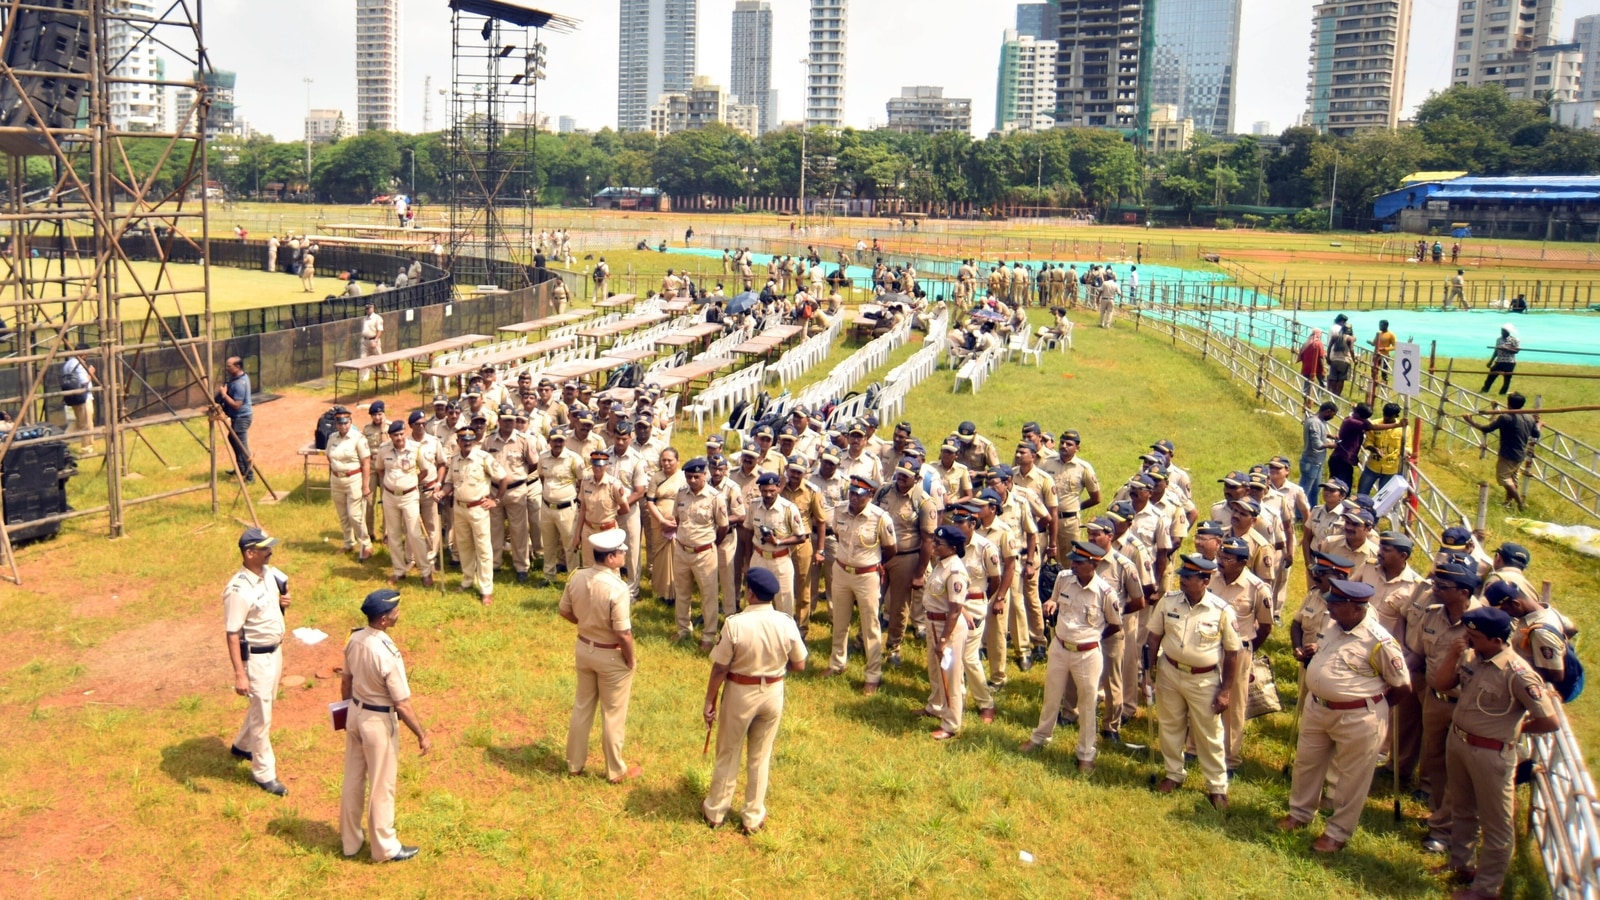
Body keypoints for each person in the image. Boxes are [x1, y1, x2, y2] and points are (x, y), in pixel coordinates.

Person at [1430, 607, 1559, 899]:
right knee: (1462, 808)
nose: (1467, 639)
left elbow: (1550, 720)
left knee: (1496, 823)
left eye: (1474, 636)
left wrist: (1514, 730)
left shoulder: (1518, 674)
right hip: (1460, 743)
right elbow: (1439, 684)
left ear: (1496, 640)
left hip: (1491, 754)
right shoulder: (1472, 657)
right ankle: (1460, 863)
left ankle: (1486, 889)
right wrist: (1453, 653)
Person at [1277, 578, 1411, 853]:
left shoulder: (1379, 641)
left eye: (1336, 603)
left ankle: (1337, 832)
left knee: (1352, 778)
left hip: (1358, 718)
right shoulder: (1333, 625)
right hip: (1318, 708)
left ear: (1357, 607)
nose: (1330, 606)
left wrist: (1369, 705)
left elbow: (1402, 686)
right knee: (1306, 763)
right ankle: (1300, 814)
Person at [700, 568, 808, 834]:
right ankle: (752, 816)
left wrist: (710, 701)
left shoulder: (735, 624)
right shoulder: (786, 622)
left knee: (728, 751)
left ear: (749, 593)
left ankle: (716, 810)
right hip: (773, 691)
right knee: (760, 755)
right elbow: (800, 664)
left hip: (740, 691)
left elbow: (720, 668)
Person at [340, 589, 431, 863]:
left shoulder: (354, 639)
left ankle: (350, 841)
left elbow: (346, 681)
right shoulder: (387, 652)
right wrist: (422, 734)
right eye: (394, 611)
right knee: (382, 785)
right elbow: (401, 703)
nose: (398, 613)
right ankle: (384, 847)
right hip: (378, 721)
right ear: (382, 619)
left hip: (355, 713)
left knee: (353, 779)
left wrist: (347, 712)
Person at [1146, 554, 1240, 809]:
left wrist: (1225, 691)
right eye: (1182, 577)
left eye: (1188, 578)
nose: (1183, 582)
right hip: (1170, 672)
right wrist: (1150, 669)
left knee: (1209, 733)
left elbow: (1233, 653)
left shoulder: (1221, 610)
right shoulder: (1169, 602)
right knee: (1170, 725)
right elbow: (1154, 637)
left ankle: (1217, 786)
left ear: (1205, 580)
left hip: (1204, 679)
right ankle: (1173, 773)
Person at [1020, 542, 1120, 772]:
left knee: (1087, 703)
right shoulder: (1064, 577)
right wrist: (1052, 603)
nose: (1073, 564)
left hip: (1087, 654)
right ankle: (1041, 736)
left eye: (1079, 561)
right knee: (1051, 696)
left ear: (1093, 564)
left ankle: (1086, 753)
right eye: (1072, 560)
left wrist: (1090, 638)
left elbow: (1115, 624)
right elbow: (1055, 598)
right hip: (1060, 646)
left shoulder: (1105, 593)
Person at [561, 528, 640, 783]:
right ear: (610, 558)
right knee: (613, 714)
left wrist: (586, 623)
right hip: (610, 655)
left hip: (584, 648)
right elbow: (623, 633)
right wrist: (630, 659)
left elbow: (565, 611)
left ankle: (574, 763)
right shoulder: (617, 588)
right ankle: (615, 771)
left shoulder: (577, 577)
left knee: (582, 707)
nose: (624, 553)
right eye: (621, 551)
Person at [222, 527, 290, 796]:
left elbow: (275, 600)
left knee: (266, 704)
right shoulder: (238, 589)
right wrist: (240, 674)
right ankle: (264, 773)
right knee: (263, 718)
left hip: (275, 652)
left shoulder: (269, 574)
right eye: (264, 548)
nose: (270, 551)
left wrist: (284, 602)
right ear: (249, 553)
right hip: (257, 659)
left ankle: (241, 745)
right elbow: (232, 633)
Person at [822, 474, 897, 692]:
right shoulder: (840, 510)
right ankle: (837, 663)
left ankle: (873, 675)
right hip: (842, 571)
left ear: (870, 495)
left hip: (867, 576)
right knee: (840, 619)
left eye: (860, 495)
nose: (854, 498)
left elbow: (891, 549)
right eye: (852, 493)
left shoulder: (880, 518)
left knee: (870, 625)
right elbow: (837, 534)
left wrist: (876, 564)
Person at [437, 426, 507, 605]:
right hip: (459, 508)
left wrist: (496, 501)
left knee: (483, 549)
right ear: (458, 441)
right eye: (463, 440)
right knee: (464, 546)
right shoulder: (454, 459)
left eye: (470, 441)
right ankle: (467, 580)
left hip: (479, 509)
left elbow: (503, 478)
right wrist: (442, 493)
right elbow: (450, 483)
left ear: (474, 441)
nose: (466, 444)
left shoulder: (483, 458)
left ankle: (486, 589)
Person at [668, 457, 729, 648]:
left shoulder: (715, 497)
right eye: (688, 477)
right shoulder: (681, 494)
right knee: (682, 592)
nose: (692, 480)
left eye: (696, 477)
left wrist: (710, 544)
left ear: (705, 475)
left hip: (704, 553)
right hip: (682, 551)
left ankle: (708, 636)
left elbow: (723, 526)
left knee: (708, 595)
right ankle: (683, 629)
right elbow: (677, 519)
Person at [921, 524, 973, 741]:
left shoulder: (955, 571)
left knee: (949, 675)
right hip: (934, 622)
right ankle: (935, 706)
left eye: (939, 544)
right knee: (935, 670)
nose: (934, 546)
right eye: (934, 541)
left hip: (946, 627)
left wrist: (944, 640)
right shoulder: (942, 564)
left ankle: (951, 723)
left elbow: (954, 610)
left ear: (952, 547)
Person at [373, 421, 435, 587]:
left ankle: (425, 572)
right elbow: (379, 469)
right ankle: (399, 571)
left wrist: (411, 482)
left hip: (409, 496)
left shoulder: (415, 449)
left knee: (415, 534)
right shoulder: (383, 449)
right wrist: (391, 483)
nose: (399, 438)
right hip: (390, 496)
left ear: (404, 433)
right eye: (395, 435)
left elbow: (424, 471)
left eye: (401, 434)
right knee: (393, 535)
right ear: (391, 436)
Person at [1465, 393, 1541, 511]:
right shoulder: (1529, 418)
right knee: (1512, 479)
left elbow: (1487, 429)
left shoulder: (1506, 417)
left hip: (1508, 454)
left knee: (1503, 478)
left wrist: (1470, 421)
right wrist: (1538, 424)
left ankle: (1520, 503)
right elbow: (1536, 434)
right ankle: (1508, 502)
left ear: (1509, 404)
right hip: (1520, 454)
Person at [325, 406, 373, 560]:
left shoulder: (358, 438)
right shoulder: (332, 437)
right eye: (340, 423)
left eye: (345, 423)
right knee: (343, 514)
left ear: (350, 422)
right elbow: (329, 456)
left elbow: (366, 462)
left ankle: (366, 544)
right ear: (336, 424)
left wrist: (366, 485)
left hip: (353, 479)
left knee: (355, 515)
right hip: (336, 479)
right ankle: (348, 543)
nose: (343, 426)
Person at [214, 356, 253, 483]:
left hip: (242, 418)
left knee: (242, 447)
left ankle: (250, 476)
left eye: (229, 366)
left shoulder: (239, 384)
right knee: (232, 439)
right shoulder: (240, 377)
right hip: (239, 417)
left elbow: (237, 404)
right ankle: (240, 468)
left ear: (238, 367)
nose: (227, 368)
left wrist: (224, 395)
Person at [1357, 402, 1405, 496]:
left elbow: (1407, 446)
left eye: (1389, 417)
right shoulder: (1374, 424)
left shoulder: (1404, 429)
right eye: (1385, 415)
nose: (1386, 418)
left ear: (1395, 415)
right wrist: (1373, 449)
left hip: (1390, 468)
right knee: (1362, 493)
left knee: (1382, 497)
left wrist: (1406, 453)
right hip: (1372, 466)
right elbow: (1367, 441)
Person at [1299, 401, 1338, 498]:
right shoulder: (1315, 423)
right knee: (1304, 492)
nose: (1332, 417)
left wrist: (1330, 435)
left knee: (1314, 491)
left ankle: (1311, 511)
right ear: (1328, 411)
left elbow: (1319, 434)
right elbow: (1317, 444)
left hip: (1317, 462)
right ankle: (1298, 512)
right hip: (1311, 462)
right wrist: (1331, 445)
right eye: (1332, 415)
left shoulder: (1317, 421)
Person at [60, 347, 96, 452]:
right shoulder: (79, 364)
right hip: (83, 397)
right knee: (87, 423)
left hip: (73, 397)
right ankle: (87, 448)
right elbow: (84, 382)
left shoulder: (68, 364)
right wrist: (91, 373)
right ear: (83, 353)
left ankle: (63, 440)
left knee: (78, 422)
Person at [1481, 325, 1519, 395]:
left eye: (1503, 331)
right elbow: (1496, 351)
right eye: (1501, 331)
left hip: (1509, 362)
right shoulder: (1499, 339)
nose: (1502, 332)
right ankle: (1485, 389)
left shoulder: (1514, 340)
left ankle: (1502, 393)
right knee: (1491, 376)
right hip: (1499, 361)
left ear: (1508, 332)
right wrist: (1491, 360)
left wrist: (1507, 349)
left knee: (1507, 379)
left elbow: (1516, 351)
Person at [1325, 325, 1356, 397]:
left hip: (1335, 360)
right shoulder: (1350, 338)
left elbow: (1329, 347)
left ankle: (1332, 394)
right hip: (1345, 361)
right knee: (1341, 380)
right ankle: (1337, 394)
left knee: (1333, 378)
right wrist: (1354, 360)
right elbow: (1351, 350)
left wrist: (1328, 357)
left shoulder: (1335, 337)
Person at [359, 303, 384, 382]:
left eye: (368, 308)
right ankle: (364, 377)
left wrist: (375, 341)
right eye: (366, 309)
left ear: (373, 309)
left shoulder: (377, 318)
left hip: (374, 340)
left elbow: (380, 330)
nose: (367, 310)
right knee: (363, 359)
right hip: (365, 341)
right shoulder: (364, 318)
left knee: (380, 358)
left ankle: (385, 372)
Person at [1298, 329, 1326, 398]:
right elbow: (1321, 358)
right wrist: (1323, 369)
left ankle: (1305, 396)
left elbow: (1301, 356)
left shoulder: (1306, 343)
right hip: (1317, 368)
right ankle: (1318, 398)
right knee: (1323, 383)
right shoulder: (1319, 343)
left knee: (1307, 384)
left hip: (1306, 368)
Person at [1373, 320, 1396, 385]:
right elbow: (1374, 342)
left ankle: (1384, 384)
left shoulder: (1391, 335)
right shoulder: (1378, 333)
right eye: (1379, 324)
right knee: (1374, 370)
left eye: (1381, 325)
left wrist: (1384, 349)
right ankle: (1375, 382)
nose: (1379, 326)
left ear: (1386, 326)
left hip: (1384, 356)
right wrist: (1370, 342)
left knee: (1384, 372)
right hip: (1376, 355)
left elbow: (1394, 347)